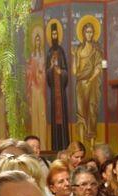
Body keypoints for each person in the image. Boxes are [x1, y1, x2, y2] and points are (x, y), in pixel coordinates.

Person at [72, 22, 103, 148]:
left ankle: (92, 144)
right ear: (83, 34)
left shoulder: (96, 50)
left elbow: (99, 68)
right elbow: (75, 72)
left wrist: (90, 80)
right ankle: (81, 142)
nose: (89, 34)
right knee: (80, 112)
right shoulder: (79, 50)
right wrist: (75, 57)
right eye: (87, 32)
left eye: (91, 32)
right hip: (80, 83)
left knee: (92, 111)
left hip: (91, 84)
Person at [46, 19, 70, 151]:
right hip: (53, 94)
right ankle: (55, 147)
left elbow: (65, 70)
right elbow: (47, 73)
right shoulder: (50, 52)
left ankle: (65, 146)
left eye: (56, 34)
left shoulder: (61, 51)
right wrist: (51, 68)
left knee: (63, 118)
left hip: (61, 92)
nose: (54, 36)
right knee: (55, 119)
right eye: (52, 34)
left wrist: (61, 72)